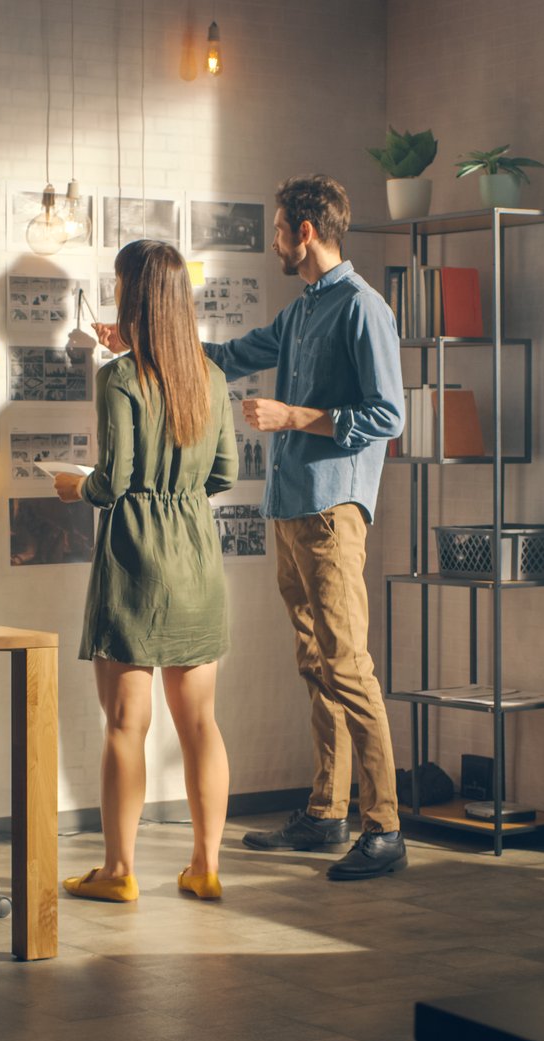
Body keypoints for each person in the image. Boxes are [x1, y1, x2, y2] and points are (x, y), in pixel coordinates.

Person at [196, 174, 412, 881]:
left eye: (279, 230)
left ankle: (385, 827)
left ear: (306, 232)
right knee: (315, 663)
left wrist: (292, 417)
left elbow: (389, 416)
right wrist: (149, 342)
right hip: (290, 512)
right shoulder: (302, 310)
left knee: (348, 666)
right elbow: (231, 356)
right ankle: (326, 812)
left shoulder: (363, 308)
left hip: (331, 512)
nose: (275, 243)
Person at [60, 238, 237, 903]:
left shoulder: (119, 379)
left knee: (125, 725)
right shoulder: (211, 377)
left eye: (117, 284)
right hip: (196, 559)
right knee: (201, 725)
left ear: (131, 293)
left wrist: (74, 488)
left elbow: (113, 481)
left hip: (135, 560)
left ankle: (118, 872)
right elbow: (225, 472)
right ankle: (206, 867)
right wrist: (179, 493)